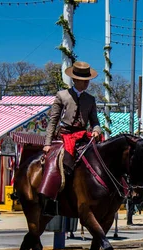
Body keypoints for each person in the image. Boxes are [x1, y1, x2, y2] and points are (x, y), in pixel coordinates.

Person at [39, 61, 102, 216]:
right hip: (65, 135)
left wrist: (96, 130)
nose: (87, 83)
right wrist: (47, 143)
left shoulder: (90, 99)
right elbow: (53, 120)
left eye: (88, 80)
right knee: (58, 163)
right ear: (75, 80)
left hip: (83, 136)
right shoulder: (62, 95)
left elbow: (95, 122)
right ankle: (51, 200)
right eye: (84, 80)